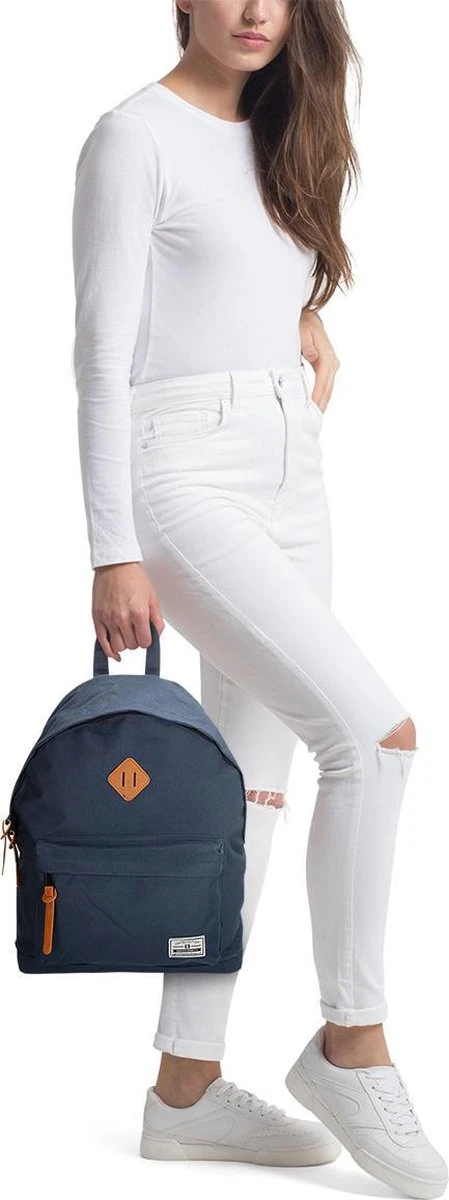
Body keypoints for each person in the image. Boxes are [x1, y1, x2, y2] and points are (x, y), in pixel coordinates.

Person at [71, 1, 448, 1193]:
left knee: (253, 789)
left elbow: (231, 274)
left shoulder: (283, 128)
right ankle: (352, 1043)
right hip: (180, 474)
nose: (250, 10)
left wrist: (301, 318)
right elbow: (100, 353)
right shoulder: (132, 136)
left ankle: (183, 1091)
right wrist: (111, 549)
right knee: (374, 738)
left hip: (291, 466)